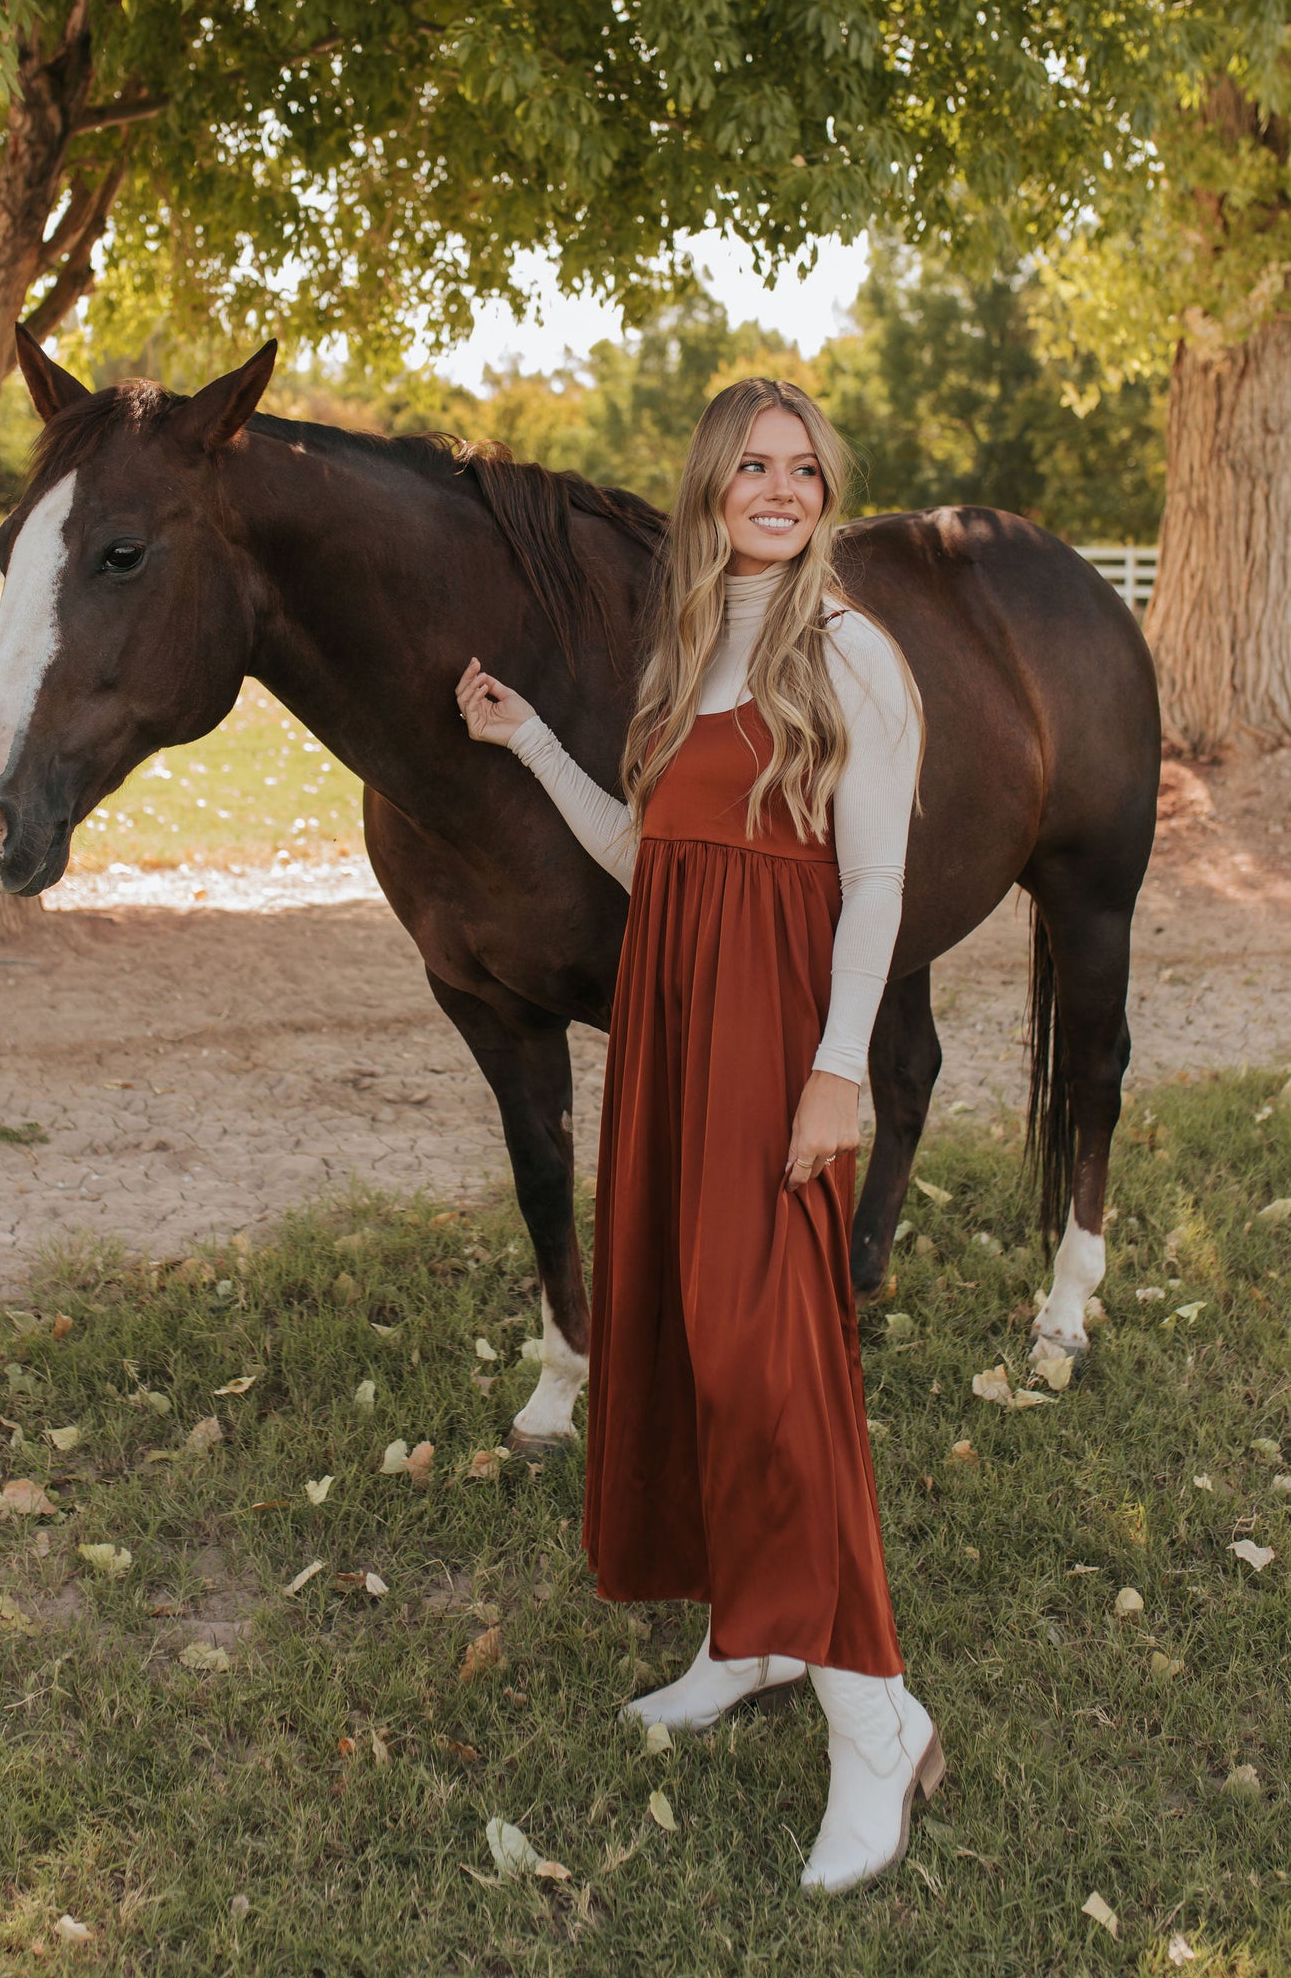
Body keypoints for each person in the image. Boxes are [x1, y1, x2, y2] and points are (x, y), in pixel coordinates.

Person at [454, 376, 941, 1895]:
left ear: (825, 492)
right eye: (752, 469)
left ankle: (875, 1712)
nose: (780, 491)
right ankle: (748, 1638)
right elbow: (647, 852)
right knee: (678, 1334)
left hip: (776, 1044)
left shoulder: (848, 652)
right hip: (670, 1039)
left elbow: (871, 888)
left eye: (804, 469)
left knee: (767, 1357)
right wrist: (533, 740)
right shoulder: (684, 646)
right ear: (709, 491)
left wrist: (838, 1073)